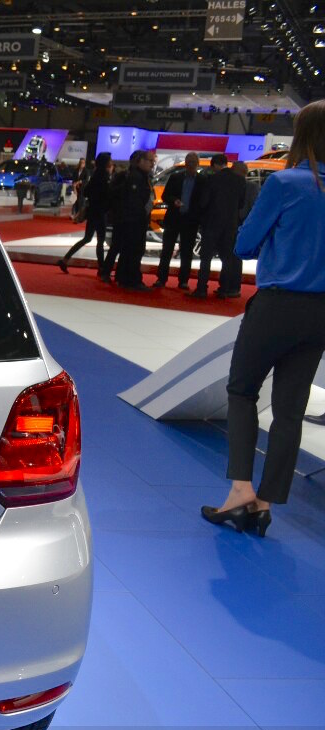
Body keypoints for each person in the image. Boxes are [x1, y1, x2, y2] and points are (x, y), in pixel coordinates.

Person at [201, 99, 325, 537]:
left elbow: (243, 245)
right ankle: (266, 504)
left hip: (278, 305)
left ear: (302, 136)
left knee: (242, 390)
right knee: (291, 409)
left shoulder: (286, 184)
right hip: (321, 313)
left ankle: (240, 491)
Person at [191, 153, 245, 299]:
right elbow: (241, 203)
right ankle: (224, 289)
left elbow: (204, 202)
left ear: (214, 165)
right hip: (230, 225)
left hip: (212, 224)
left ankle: (202, 289)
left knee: (206, 257)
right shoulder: (239, 181)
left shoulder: (212, 179)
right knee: (227, 258)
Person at [153, 152, 202, 290]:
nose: (191, 164)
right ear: (185, 163)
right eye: (189, 161)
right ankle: (161, 279)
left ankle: (183, 281)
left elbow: (203, 201)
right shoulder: (175, 177)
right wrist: (174, 200)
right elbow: (165, 195)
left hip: (190, 221)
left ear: (197, 163)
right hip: (174, 219)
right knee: (166, 251)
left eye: (193, 161)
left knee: (186, 253)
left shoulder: (202, 180)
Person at [59, 152, 112, 274]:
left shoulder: (95, 175)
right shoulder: (104, 176)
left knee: (87, 238)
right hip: (100, 211)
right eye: (110, 160)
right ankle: (101, 268)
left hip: (93, 211)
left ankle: (65, 259)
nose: (111, 162)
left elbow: (87, 192)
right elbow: (107, 195)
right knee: (100, 241)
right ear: (106, 162)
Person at [113, 149, 155, 290]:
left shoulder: (143, 177)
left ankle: (125, 278)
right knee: (133, 250)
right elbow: (134, 201)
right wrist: (140, 214)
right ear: (141, 161)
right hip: (134, 220)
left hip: (136, 220)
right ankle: (131, 279)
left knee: (131, 250)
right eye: (150, 160)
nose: (152, 163)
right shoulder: (136, 177)